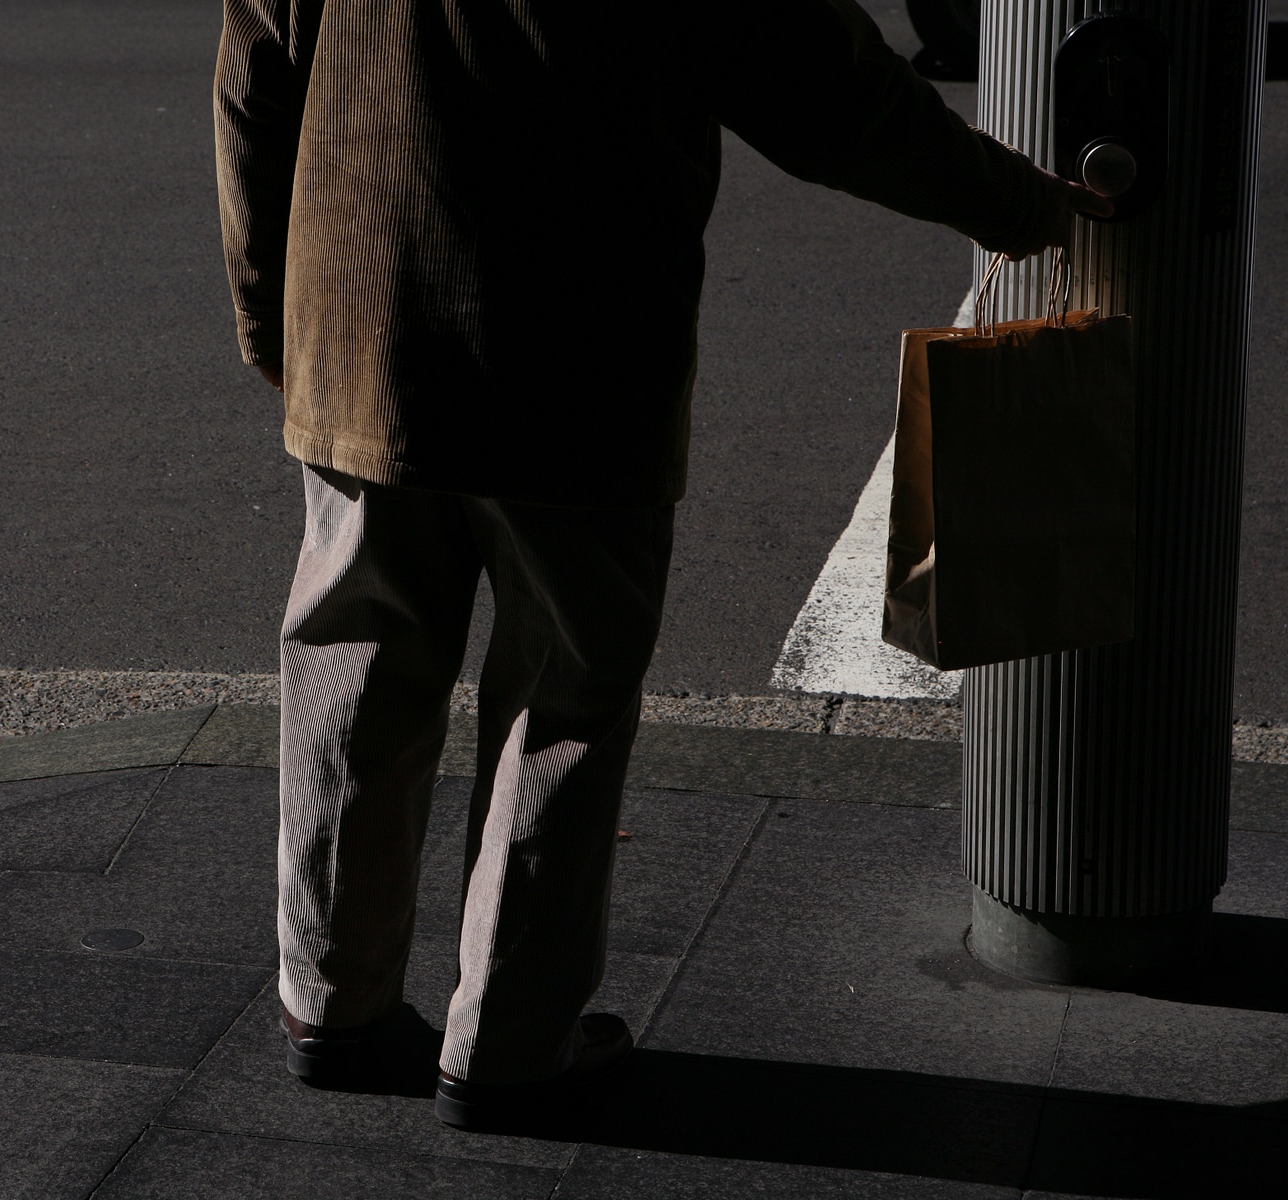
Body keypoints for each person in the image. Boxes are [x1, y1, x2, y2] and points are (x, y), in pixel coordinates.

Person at [213, 0, 1110, 1129]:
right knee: (564, 695)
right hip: (578, 342)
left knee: (357, 649)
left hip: (356, 309)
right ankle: (508, 1040)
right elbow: (822, 88)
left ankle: (330, 1004)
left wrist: (268, 313)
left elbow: (255, 74)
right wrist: (1016, 201)